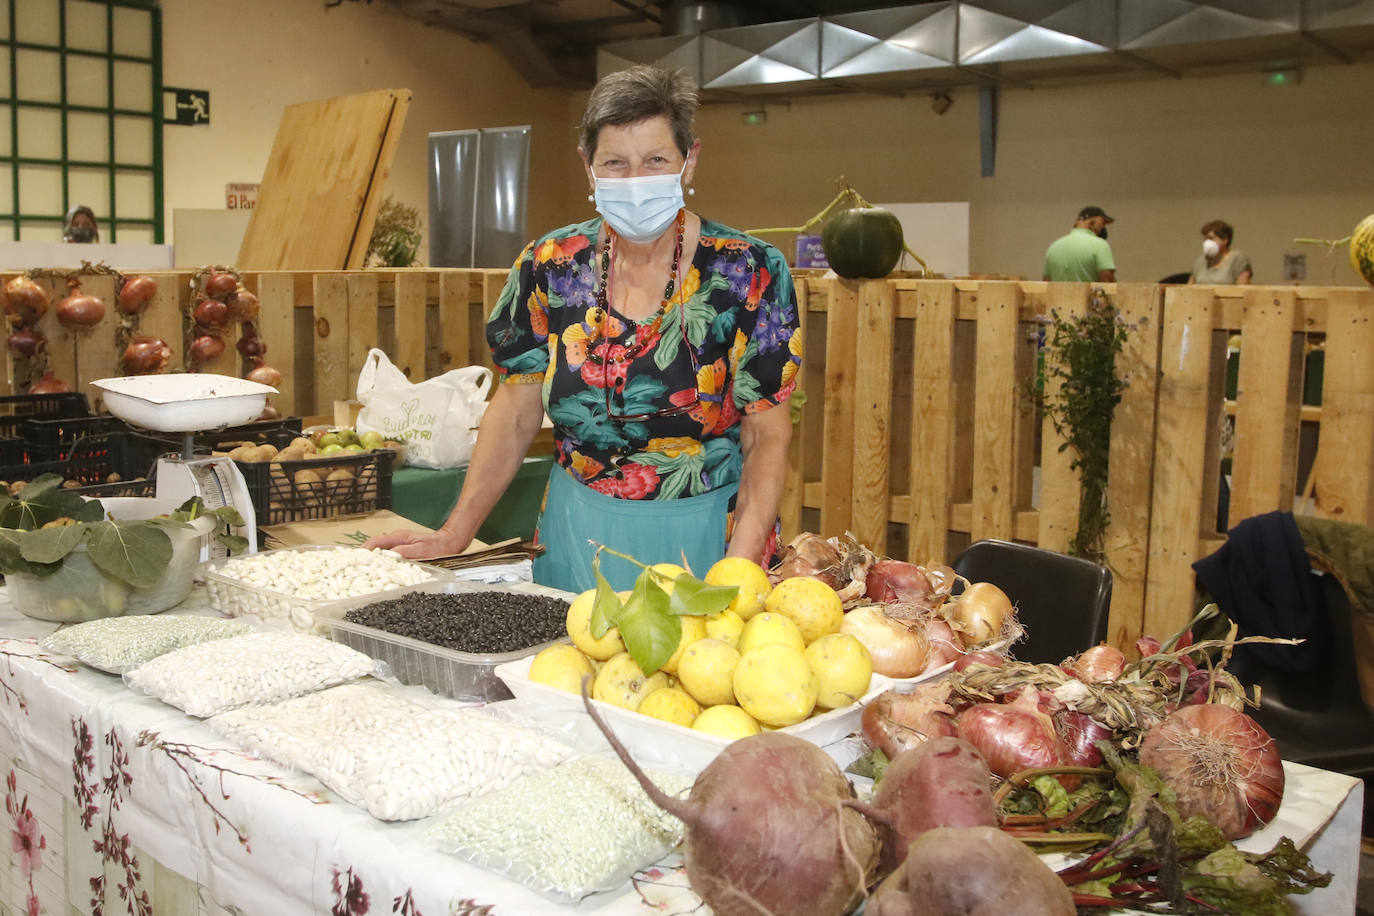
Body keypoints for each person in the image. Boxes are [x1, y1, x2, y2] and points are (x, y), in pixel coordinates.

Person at [365, 65, 801, 592]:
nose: (635, 181)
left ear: (689, 161)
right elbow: (515, 410)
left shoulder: (748, 271)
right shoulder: (550, 265)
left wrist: (738, 571)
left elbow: (767, 435)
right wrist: (454, 533)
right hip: (574, 534)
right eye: (615, 162)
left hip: (706, 539)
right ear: (588, 168)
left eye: (656, 160)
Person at [1043, 205, 1116, 282]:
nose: (1103, 228)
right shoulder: (1100, 245)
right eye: (1103, 223)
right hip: (1088, 291)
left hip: (1058, 291)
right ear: (1092, 222)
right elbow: (1107, 281)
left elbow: (1045, 284)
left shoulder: (1054, 247)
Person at [1188, 219, 1252, 285]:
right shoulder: (1200, 261)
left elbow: (1243, 288)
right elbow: (1190, 286)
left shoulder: (1238, 259)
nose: (1207, 242)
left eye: (1211, 238)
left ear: (1225, 240)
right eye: (1205, 239)